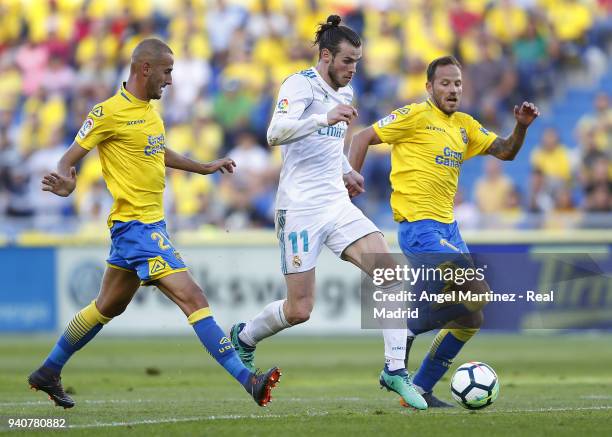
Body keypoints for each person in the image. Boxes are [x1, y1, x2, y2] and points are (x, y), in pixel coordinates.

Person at [27, 38, 281, 409]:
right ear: (145, 68)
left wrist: (204, 166)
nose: (171, 80)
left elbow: (157, 151)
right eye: (167, 71)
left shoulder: (148, 111)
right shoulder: (107, 112)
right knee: (194, 298)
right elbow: (68, 159)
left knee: (106, 307)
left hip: (143, 227)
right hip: (137, 228)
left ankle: (49, 370)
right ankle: (249, 381)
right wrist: (66, 181)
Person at [228, 15, 427, 410]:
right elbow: (274, 133)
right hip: (299, 209)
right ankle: (245, 337)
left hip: (335, 202)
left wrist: (347, 170)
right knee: (299, 310)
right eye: (347, 60)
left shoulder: (346, 94)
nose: (353, 69)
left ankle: (394, 370)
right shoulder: (299, 85)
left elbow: (328, 145)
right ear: (325, 56)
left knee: (390, 273)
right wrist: (322, 117)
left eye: (357, 61)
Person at [349, 55, 539, 406]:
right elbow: (361, 138)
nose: (453, 90)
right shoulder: (414, 116)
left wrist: (522, 127)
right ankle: (403, 335)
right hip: (419, 228)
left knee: (471, 317)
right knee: (478, 291)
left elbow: (506, 152)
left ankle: (419, 388)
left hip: (448, 230)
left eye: (458, 84)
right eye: (445, 83)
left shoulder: (464, 125)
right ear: (429, 87)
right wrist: (349, 183)